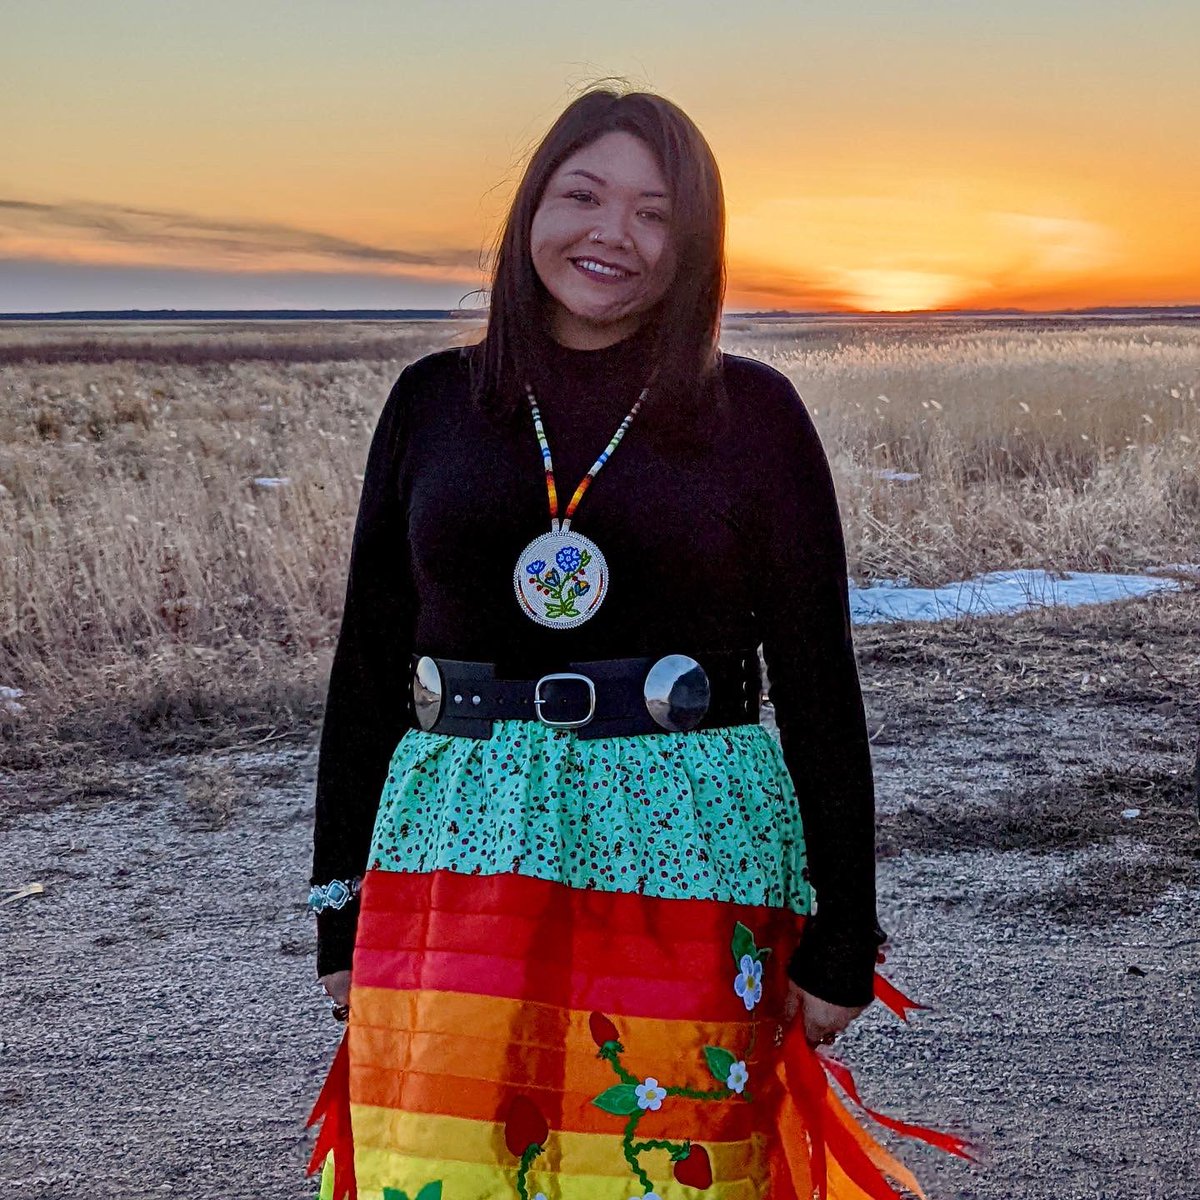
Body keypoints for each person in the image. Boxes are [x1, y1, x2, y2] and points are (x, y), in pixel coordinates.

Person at [307, 87, 927, 1200]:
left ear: (693, 245)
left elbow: (820, 685)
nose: (612, 235)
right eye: (582, 195)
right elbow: (367, 671)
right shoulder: (431, 402)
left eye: (654, 213)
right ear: (530, 211)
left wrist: (846, 935)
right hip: (459, 847)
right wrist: (338, 908)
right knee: (447, 1172)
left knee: (666, 1167)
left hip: (686, 849)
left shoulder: (756, 414)